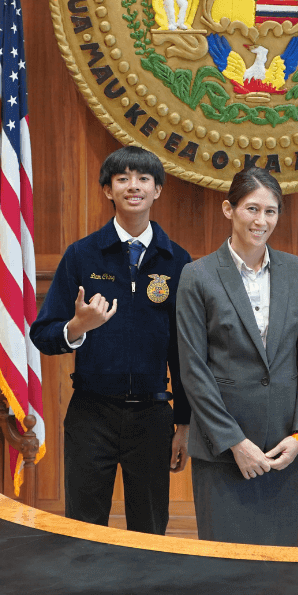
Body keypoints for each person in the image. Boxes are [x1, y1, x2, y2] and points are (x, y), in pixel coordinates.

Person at [30, 145, 191, 535]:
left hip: (153, 416)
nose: (132, 186)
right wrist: (78, 327)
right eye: (122, 178)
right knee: (84, 529)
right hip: (91, 412)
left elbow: (183, 353)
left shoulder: (178, 261)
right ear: (107, 190)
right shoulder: (82, 255)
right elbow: (43, 334)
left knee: (150, 531)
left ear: (158, 190)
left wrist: (184, 423)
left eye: (143, 179)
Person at [175, 168, 298, 546]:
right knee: (225, 573)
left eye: (271, 211)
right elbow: (193, 370)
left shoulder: (297, 270)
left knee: (281, 568)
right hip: (223, 453)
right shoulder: (197, 275)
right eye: (252, 209)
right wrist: (235, 443)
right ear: (229, 209)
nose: (262, 221)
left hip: (282, 452)